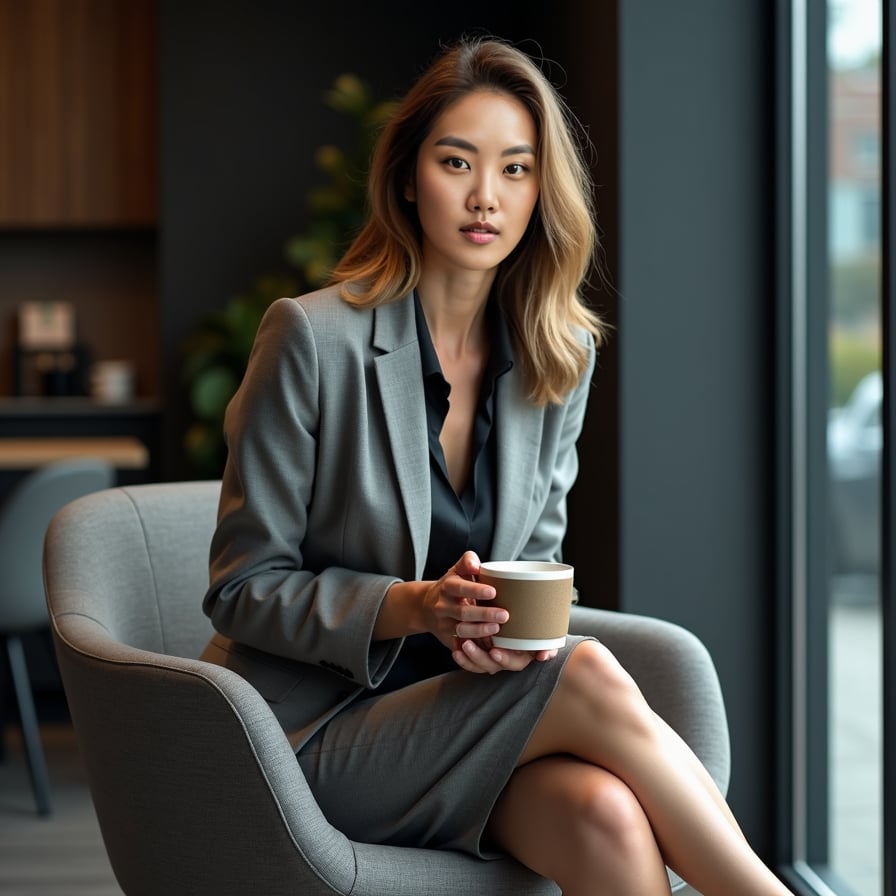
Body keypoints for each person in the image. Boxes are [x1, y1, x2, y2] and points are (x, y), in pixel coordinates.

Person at [201, 36, 791, 896]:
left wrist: (499, 639)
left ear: (540, 192)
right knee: (586, 671)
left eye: (517, 170)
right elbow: (240, 586)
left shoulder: (558, 359)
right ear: (409, 177)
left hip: (461, 719)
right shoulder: (312, 339)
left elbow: (540, 574)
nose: (487, 196)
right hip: (310, 739)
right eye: (457, 162)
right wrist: (416, 608)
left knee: (607, 816)